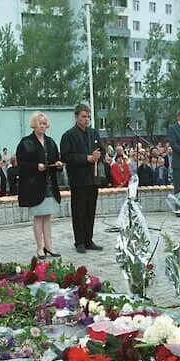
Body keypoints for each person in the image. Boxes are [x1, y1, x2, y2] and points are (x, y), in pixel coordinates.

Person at [16, 112, 63, 260]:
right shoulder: (26, 142)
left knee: (47, 216)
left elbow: (56, 159)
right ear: (34, 125)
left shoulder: (50, 142)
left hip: (49, 184)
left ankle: (49, 245)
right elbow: (21, 165)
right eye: (39, 123)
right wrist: (36, 167)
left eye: (44, 123)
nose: (42, 126)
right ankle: (39, 247)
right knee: (38, 216)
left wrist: (59, 165)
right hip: (34, 185)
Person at [60, 103, 106, 254]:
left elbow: (101, 150)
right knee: (79, 210)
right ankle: (79, 241)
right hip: (78, 179)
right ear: (76, 117)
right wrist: (85, 158)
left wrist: (99, 156)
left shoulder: (93, 133)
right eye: (83, 117)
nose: (86, 120)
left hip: (93, 178)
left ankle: (88, 239)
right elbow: (66, 156)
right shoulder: (68, 135)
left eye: (88, 117)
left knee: (90, 210)